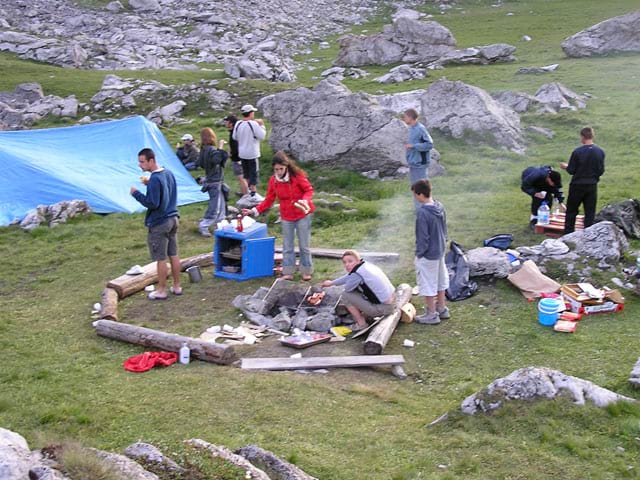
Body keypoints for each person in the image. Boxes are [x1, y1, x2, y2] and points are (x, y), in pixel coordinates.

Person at [241, 151, 314, 281]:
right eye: (276, 169)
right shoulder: (273, 181)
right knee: (287, 246)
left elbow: (308, 190)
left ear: (286, 167)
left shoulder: (297, 176)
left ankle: (306, 270)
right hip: (286, 216)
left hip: (302, 213)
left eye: (281, 169)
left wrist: (305, 200)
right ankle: (288, 272)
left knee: (304, 245)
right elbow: (269, 200)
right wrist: (253, 211)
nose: (279, 172)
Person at [130, 148, 182, 300]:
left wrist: (136, 194)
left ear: (151, 161)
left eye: (142, 162)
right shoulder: (168, 173)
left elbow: (153, 203)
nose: (140, 165)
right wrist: (149, 184)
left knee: (161, 258)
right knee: (173, 254)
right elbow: (165, 191)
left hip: (160, 223)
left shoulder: (154, 179)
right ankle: (177, 286)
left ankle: (161, 290)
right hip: (173, 219)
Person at [321, 250, 396, 332]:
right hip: (392, 301)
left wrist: (336, 284)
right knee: (356, 291)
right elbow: (349, 276)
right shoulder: (365, 265)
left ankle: (361, 324)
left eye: (350, 261)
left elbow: (348, 288)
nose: (347, 265)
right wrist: (332, 283)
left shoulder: (357, 274)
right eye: (344, 262)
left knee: (346, 295)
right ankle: (366, 315)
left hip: (384, 308)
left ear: (358, 260)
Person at [411, 179, 449, 325]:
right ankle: (442, 308)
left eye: (415, 195)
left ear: (421, 194)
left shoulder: (423, 213)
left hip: (428, 254)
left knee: (427, 282)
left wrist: (420, 254)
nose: (415, 197)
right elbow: (444, 229)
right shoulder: (439, 206)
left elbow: (423, 237)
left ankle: (431, 314)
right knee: (440, 280)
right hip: (440, 250)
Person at [560, 127, 605, 234]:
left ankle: (568, 234)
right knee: (590, 212)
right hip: (592, 185)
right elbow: (601, 170)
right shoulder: (600, 152)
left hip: (577, 185)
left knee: (571, 211)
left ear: (583, 137)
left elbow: (571, 170)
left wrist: (566, 166)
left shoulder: (577, 152)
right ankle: (588, 235)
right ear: (592, 136)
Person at [196, 128, 228, 237]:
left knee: (221, 205)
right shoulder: (212, 149)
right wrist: (220, 147)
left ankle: (220, 225)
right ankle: (204, 225)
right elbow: (216, 160)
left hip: (212, 180)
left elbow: (200, 163)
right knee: (215, 207)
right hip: (214, 182)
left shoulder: (204, 149)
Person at [232, 104, 267, 197]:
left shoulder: (238, 123)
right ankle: (253, 192)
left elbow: (234, 137)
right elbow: (262, 136)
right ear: (251, 113)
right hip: (252, 152)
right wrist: (262, 126)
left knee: (246, 172)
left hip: (242, 153)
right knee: (254, 172)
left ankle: (248, 191)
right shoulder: (253, 124)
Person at [403, 108, 434, 206]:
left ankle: (428, 209)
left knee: (422, 189)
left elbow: (429, 144)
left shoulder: (420, 129)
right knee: (415, 189)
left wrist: (414, 146)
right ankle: (419, 211)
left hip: (420, 164)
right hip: (413, 164)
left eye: (405, 117)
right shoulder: (411, 129)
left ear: (411, 117)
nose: (404, 119)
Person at [223, 114, 248, 196]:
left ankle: (245, 195)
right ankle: (245, 192)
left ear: (231, 123)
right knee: (244, 177)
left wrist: (230, 154)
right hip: (243, 157)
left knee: (241, 178)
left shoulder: (233, 133)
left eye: (226, 121)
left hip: (237, 159)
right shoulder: (238, 131)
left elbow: (235, 148)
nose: (225, 123)